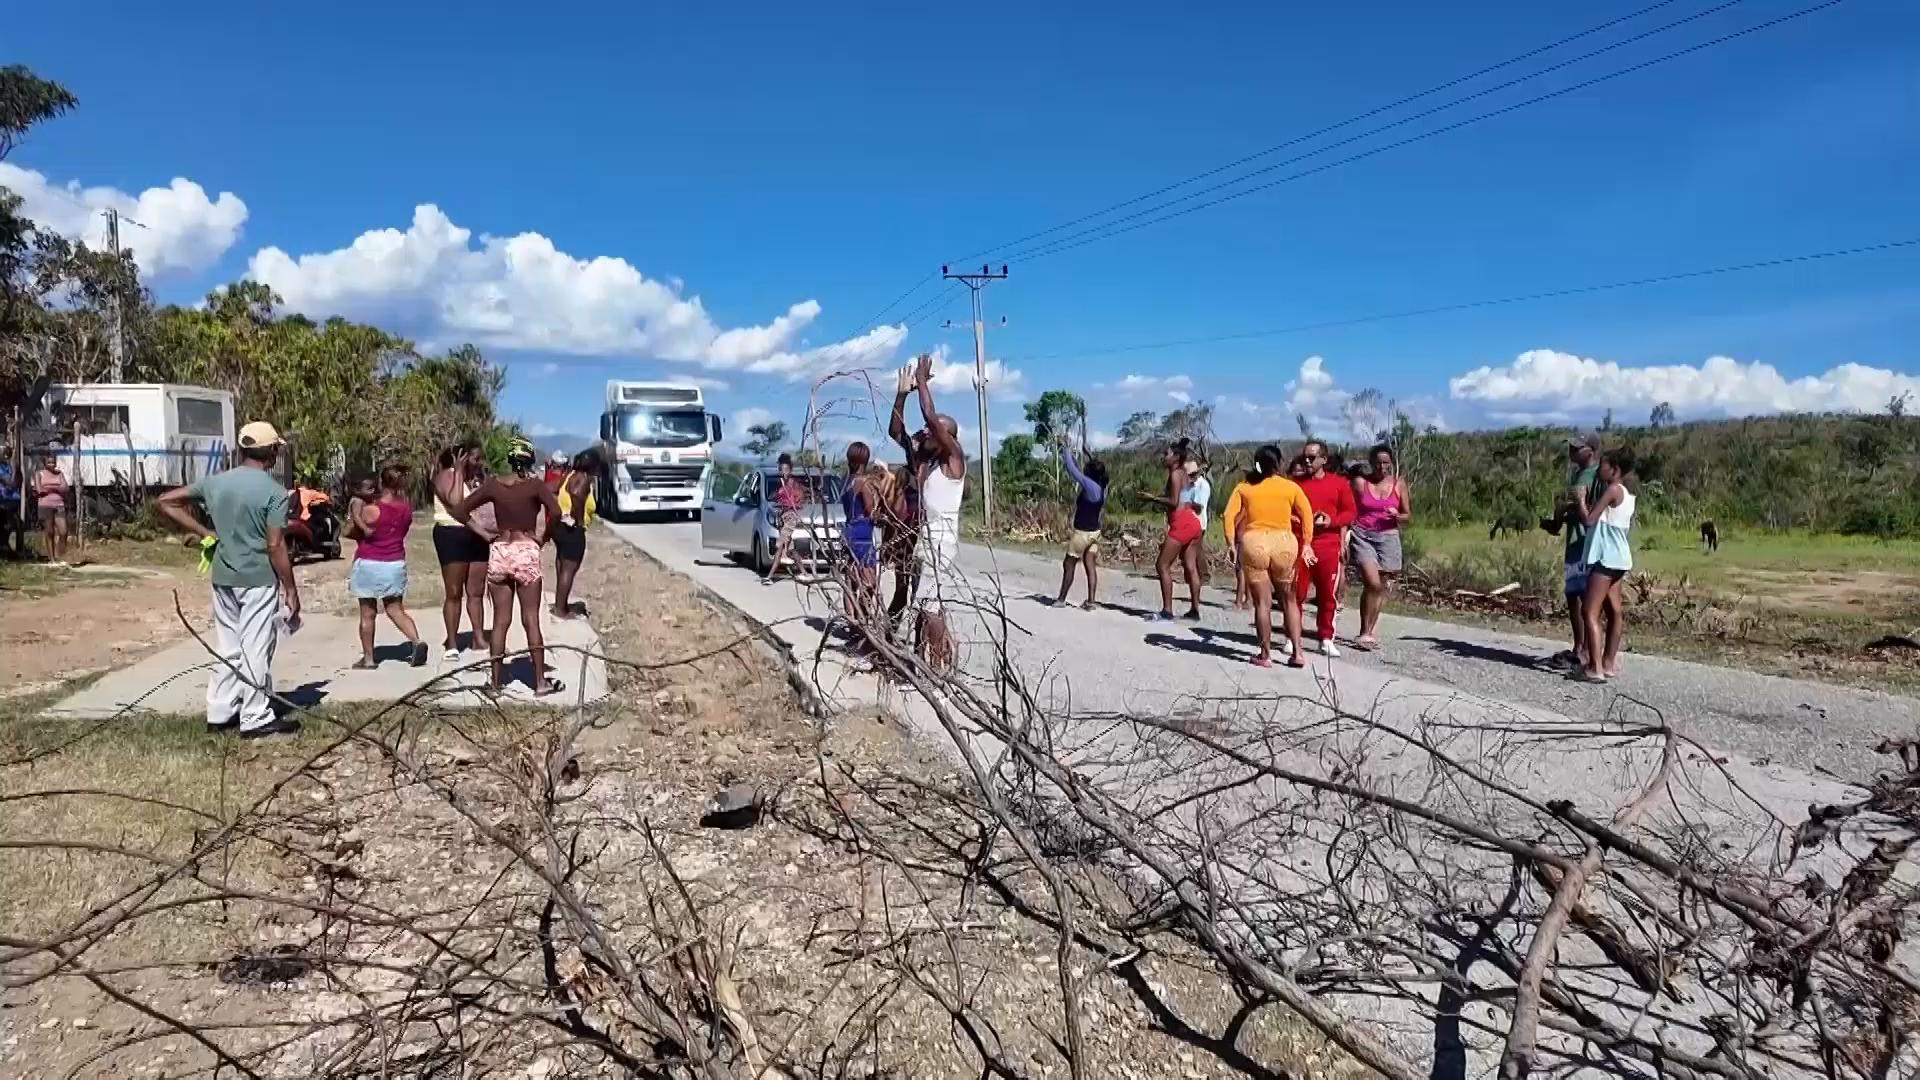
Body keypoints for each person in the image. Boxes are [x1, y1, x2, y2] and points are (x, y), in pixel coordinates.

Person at [155, 421, 302, 739]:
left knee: (229, 646)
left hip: (223, 576)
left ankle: (220, 712)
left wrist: (206, 532)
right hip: (257, 578)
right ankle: (255, 716)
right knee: (256, 647)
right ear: (272, 452)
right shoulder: (274, 493)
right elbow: (275, 545)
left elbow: (166, 501)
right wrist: (290, 589)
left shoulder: (215, 482)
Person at [450, 438, 566, 696]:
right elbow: (556, 513)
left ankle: (494, 685)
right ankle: (540, 683)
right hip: (525, 549)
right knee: (531, 620)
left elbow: (460, 511)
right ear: (529, 458)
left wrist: (485, 535)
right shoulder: (535, 486)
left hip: (500, 549)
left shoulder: (493, 485)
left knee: (500, 621)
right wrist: (543, 537)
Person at [1229, 445, 1316, 668]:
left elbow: (1229, 515)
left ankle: (1265, 654)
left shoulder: (1245, 487)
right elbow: (1307, 513)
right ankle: (1297, 652)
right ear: (1279, 462)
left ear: (1257, 464)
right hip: (1284, 543)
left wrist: (1231, 543)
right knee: (1290, 601)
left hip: (1255, 541)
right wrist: (1307, 542)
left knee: (1262, 603)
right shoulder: (1290, 487)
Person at [909, 353, 966, 672]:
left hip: (939, 543)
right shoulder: (931, 466)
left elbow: (931, 417)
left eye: (935, 432)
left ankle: (937, 668)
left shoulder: (954, 459)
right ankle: (939, 663)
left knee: (930, 608)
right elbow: (911, 435)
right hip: (927, 542)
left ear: (947, 438)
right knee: (933, 607)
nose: (928, 433)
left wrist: (920, 382)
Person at [349, 464, 427, 669]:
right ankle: (416, 641)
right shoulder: (406, 509)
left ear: (380, 484)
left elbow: (350, 531)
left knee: (367, 613)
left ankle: (368, 659)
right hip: (394, 563)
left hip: (369, 562)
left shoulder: (369, 511)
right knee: (395, 609)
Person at [1573, 448, 1636, 683]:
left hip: (1605, 558)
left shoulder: (1611, 490)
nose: (1600, 469)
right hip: (1620, 557)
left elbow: (1589, 520)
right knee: (1614, 610)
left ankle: (1594, 667)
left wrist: (1580, 501)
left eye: (1604, 465)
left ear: (1615, 469)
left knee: (1589, 610)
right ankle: (1608, 662)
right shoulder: (1626, 495)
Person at [1544, 432, 1604, 671]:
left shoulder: (1597, 476)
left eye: (1576, 448)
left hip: (1588, 545)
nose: (1571, 451)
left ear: (1590, 451)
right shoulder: (1577, 474)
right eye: (1570, 447)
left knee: (1586, 599)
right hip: (1573, 541)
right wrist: (1557, 520)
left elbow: (1593, 512)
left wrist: (1572, 507)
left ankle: (1588, 652)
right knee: (1572, 595)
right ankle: (1578, 646)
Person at [1294, 439, 1357, 657]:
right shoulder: (1295, 484)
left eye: (1312, 457)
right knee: (1296, 592)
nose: (1307, 461)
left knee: (1327, 594)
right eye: (1305, 457)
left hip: (1328, 545)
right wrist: (1301, 520)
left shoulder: (1339, 484)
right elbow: (1286, 511)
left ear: (1324, 459)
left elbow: (1350, 513)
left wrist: (1330, 521)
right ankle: (1293, 637)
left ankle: (1326, 637)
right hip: (1300, 544)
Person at [431, 443, 492, 660]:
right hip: (452, 535)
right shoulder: (445, 476)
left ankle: (478, 637)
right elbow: (456, 502)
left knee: (476, 591)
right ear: (461, 458)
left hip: (477, 536)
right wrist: (457, 471)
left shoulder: (479, 478)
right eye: (474, 459)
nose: (479, 463)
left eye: (480, 459)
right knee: (454, 592)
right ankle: (452, 642)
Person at [1348, 444, 1410, 650]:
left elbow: (1407, 515)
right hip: (1363, 535)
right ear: (1371, 462)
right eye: (1378, 462)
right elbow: (1348, 506)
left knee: (1380, 587)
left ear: (1391, 463)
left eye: (1385, 463)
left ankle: (1369, 630)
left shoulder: (1399, 485)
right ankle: (1364, 631)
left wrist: (1397, 516)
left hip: (1388, 537)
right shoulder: (1359, 483)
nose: (1381, 466)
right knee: (1372, 583)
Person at [1140, 438, 1203, 622]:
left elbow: (1174, 502)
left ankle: (1167, 610)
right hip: (1192, 522)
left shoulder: (1175, 475)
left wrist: (1152, 498)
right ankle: (1195, 610)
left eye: (1166, 454)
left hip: (1181, 523)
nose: (1163, 457)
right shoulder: (1183, 473)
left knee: (1162, 565)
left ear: (1175, 457)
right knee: (1191, 567)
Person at [883, 370, 926, 635]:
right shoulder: (915, 461)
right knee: (902, 588)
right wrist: (901, 396)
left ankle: (922, 652)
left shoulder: (940, 462)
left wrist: (922, 390)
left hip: (929, 540)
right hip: (908, 538)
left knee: (924, 597)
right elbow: (895, 431)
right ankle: (889, 638)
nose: (920, 435)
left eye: (926, 433)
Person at [1053, 442, 1108, 609]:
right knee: (1090, 564)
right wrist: (1088, 454)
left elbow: (1071, 469)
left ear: (1090, 473)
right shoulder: (1102, 486)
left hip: (1082, 534)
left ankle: (1061, 600)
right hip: (1095, 533)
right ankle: (1091, 601)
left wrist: (1065, 449)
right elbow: (1097, 469)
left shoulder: (1089, 486)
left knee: (1068, 564)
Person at [550, 448, 598, 620]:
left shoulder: (569, 475)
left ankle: (559, 603)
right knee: (569, 568)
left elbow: (553, 489)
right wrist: (577, 519)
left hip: (560, 526)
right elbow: (577, 495)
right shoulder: (583, 478)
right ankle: (560, 609)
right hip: (572, 528)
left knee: (562, 565)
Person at [840, 441, 882, 623]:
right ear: (865, 460)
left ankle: (851, 620)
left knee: (851, 581)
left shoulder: (846, 482)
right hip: (863, 534)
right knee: (869, 582)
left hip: (849, 531)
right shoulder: (863, 483)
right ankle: (861, 619)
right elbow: (871, 512)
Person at [762, 453, 806, 585]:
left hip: (791, 517)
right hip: (783, 517)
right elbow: (777, 499)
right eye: (781, 470)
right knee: (791, 550)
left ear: (790, 470)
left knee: (779, 546)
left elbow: (800, 501)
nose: (783, 473)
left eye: (786, 470)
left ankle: (770, 577)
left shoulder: (794, 485)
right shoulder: (781, 485)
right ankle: (804, 572)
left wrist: (792, 505)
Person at [32, 450, 70, 564]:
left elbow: (66, 488)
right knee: (50, 532)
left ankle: (59, 555)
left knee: (63, 531)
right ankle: (52, 559)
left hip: (59, 504)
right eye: (49, 462)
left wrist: (50, 488)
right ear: (45, 463)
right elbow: (40, 490)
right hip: (45, 505)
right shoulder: (39, 474)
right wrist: (56, 488)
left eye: (53, 462)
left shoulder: (60, 474)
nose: (52, 464)